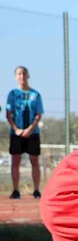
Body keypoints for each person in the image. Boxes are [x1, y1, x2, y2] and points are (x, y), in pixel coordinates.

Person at [6, 66, 43, 199]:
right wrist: (16, 129)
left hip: (33, 133)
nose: (22, 76)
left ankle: (36, 190)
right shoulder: (12, 94)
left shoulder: (35, 95)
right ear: (16, 77)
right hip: (16, 132)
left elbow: (38, 114)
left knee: (34, 160)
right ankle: (16, 190)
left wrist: (30, 129)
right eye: (19, 74)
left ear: (28, 76)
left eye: (24, 74)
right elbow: (8, 113)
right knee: (15, 160)